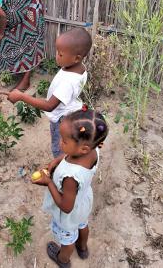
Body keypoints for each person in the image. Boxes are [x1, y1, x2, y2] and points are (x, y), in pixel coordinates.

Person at [32, 108, 108, 267]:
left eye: (64, 141)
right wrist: (58, 160)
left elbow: (66, 207)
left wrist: (49, 182)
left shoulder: (70, 177)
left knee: (67, 239)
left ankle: (63, 259)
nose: (60, 143)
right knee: (83, 225)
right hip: (83, 202)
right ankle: (83, 247)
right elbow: (70, 155)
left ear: (83, 148)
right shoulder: (93, 149)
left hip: (69, 214)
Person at [6, 27, 92, 157]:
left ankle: (60, 170)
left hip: (61, 119)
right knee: (70, 144)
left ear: (76, 58)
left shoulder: (68, 82)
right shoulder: (79, 68)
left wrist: (21, 96)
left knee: (60, 149)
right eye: (57, 51)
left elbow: (49, 106)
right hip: (72, 110)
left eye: (60, 54)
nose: (56, 55)